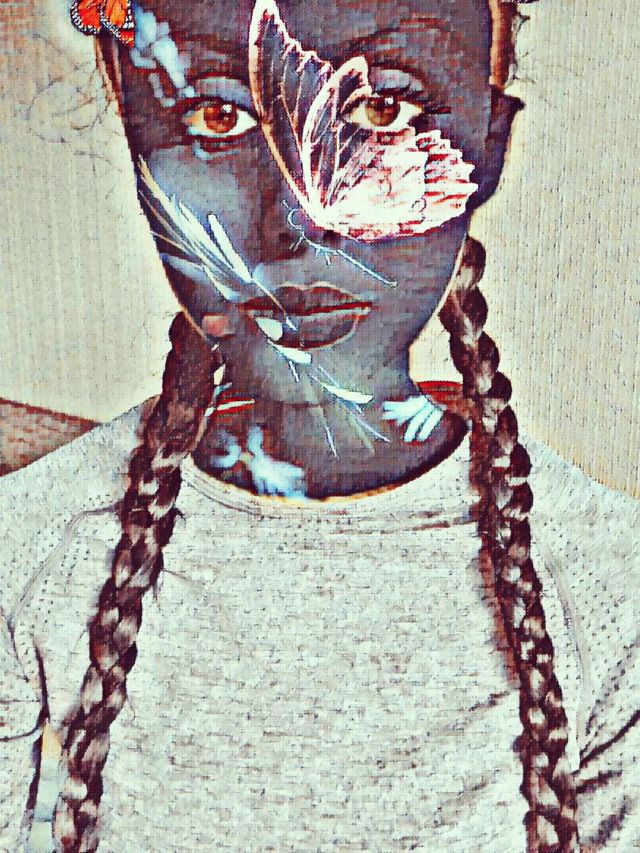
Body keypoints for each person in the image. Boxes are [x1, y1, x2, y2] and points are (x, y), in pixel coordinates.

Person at [0, 0, 637, 850]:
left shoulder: (611, 596)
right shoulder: (28, 562)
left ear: (488, 145)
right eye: (217, 116)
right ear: (134, 136)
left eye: (384, 109)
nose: (297, 221)